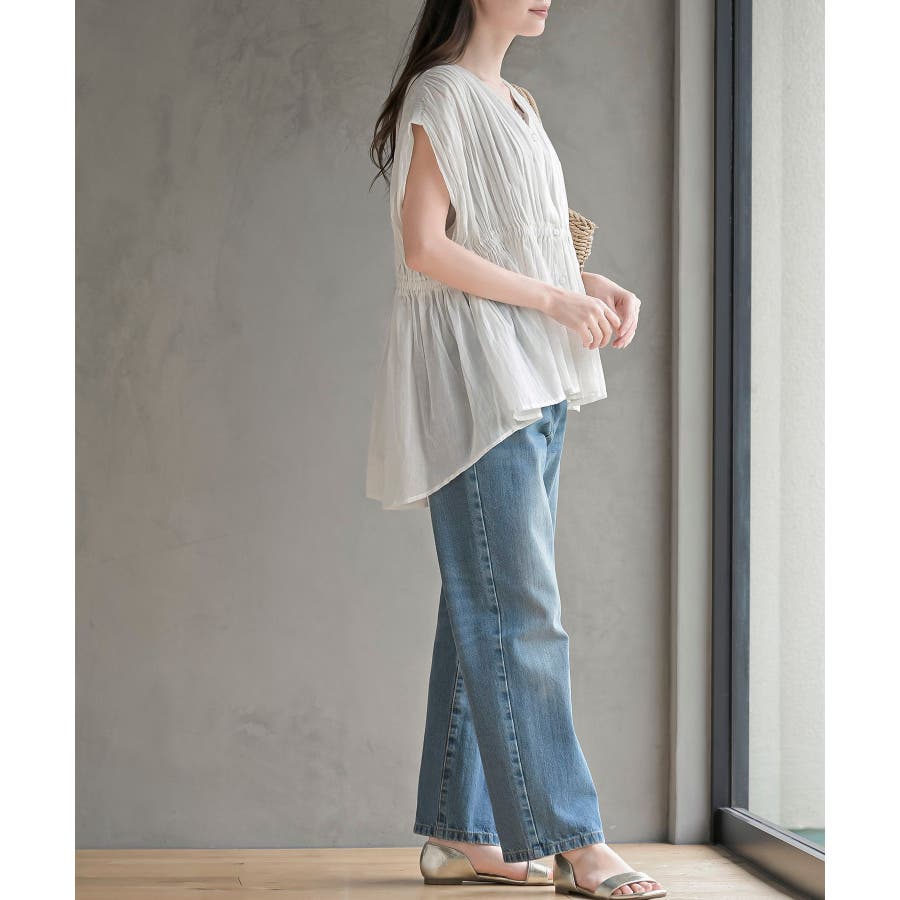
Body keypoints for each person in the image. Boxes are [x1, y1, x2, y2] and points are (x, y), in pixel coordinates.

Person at [366, 2, 662, 897]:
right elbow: (425, 247)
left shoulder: (517, 103)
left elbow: (516, 240)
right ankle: (576, 841)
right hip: (477, 380)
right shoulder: (442, 93)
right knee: (520, 609)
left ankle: (460, 835)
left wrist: (588, 284)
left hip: (532, 374)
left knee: (488, 599)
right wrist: (555, 300)